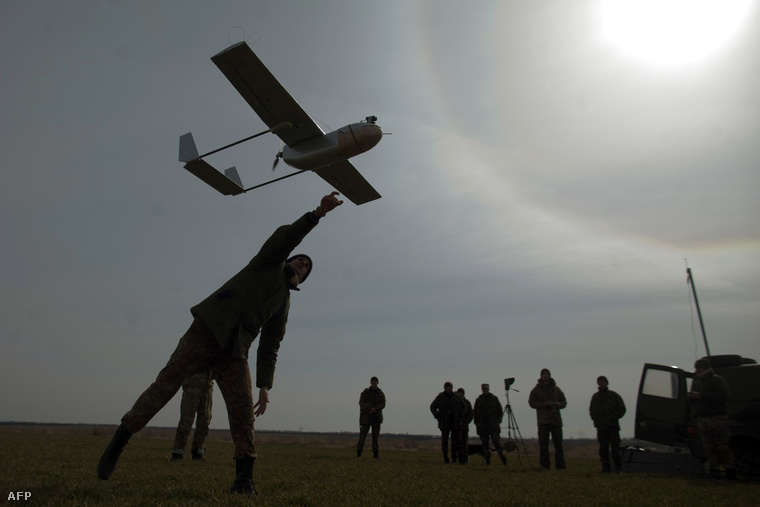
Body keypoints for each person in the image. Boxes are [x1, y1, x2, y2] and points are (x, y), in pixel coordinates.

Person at [97, 192, 345, 495]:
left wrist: (264, 386)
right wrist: (317, 214)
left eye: (307, 266)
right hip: (207, 330)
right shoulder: (267, 263)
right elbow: (286, 238)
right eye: (300, 259)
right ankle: (119, 440)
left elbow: (271, 344)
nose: (302, 263)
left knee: (242, 412)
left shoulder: (284, 304)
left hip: (234, 352)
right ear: (289, 259)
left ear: (303, 279)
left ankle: (243, 479)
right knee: (165, 384)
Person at [687, 357, 738, 479]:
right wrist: (692, 397)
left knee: (722, 446)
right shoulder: (697, 382)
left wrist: (702, 395)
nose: (697, 370)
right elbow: (692, 400)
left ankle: (730, 469)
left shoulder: (717, 380)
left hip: (717, 418)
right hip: (703, 419)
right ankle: (714, 469)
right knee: (708, 446)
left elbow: (723, 395)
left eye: (699, 368)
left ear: (705, 368)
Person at [171, 366, 216, 461]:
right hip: (192, 386)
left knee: (205, 421)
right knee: (186, 420)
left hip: (207, 387)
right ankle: (177, 452)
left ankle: (198, 452)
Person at [528, 368, 567, 470]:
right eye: (543, 374)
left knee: (558, 445)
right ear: (541, 376)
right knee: (543, 445)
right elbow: (532, 403)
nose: (545, 376)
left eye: (547, 374)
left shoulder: (556, 389)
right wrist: (543, 405)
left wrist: (558, 404)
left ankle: (560, 466)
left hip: (556, 421)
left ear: (550, 376)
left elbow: (564, 402)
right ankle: (545, 466)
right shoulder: (536, 390)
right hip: (543, 421)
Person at [589, 375, 626, 473]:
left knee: (615, 449)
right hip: (601, 427)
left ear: (607, 383)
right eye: (600, 382)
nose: (602, 383)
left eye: (603, 382)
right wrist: (595, 420)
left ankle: (618, 468)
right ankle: (605, 468)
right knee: (603, 450)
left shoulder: (614, 396)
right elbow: (591, 410)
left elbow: (622, 409)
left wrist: (613, 418)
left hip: (613, 427)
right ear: (598, 384)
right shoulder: (595, 397)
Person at [430, 382, 467, 463]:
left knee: (457, 441)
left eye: (449, 387)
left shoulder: (457, 397)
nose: (448, 388)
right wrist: (437, 415)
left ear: (452, 388)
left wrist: (460, 415)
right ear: (444, 388)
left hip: (456, 423)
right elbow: (432, 407)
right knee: (444, 442)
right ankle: (445, 457)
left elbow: (464, 407)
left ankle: (459, 458)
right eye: (446, 387)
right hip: (444, 423)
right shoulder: (440, 397)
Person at [473, 383, 507, 465]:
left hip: (493, 426)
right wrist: (478, 424)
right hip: (483, 426)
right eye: (483, 388)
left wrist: (498, 422)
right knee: (485, 445)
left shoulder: (494, 399)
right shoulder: (478, 400)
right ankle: (488, 461)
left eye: (486, 388)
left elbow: (500, 411)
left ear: (488, 389)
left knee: (497, 444)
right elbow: (475, 414)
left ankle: (504, 461)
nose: (485, 389)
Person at [357, 376, 386, 459]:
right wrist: (369, 408)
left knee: (375, 437)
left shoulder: (380, 393)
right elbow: (361, 402)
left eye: (375, 382)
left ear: (377, 383)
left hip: (376, 418)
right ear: (370, 383)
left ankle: (375, 455)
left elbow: (383, 404)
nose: (374, 383)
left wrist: (375, 409)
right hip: (366, 417)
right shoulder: (365, 392)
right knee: (362, 436)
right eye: (372, 382)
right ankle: (359, 454)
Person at [451, 388, 473, 464]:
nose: (460, 394)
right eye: (458, 393)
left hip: (464, 427)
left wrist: (465, 422)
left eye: (461, 393)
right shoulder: (454, 402)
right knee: (455, 443)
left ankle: (465, 459)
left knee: (464, 443)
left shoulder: (467, 403)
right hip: (455, 426)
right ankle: (455, 458)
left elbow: (471, 414)